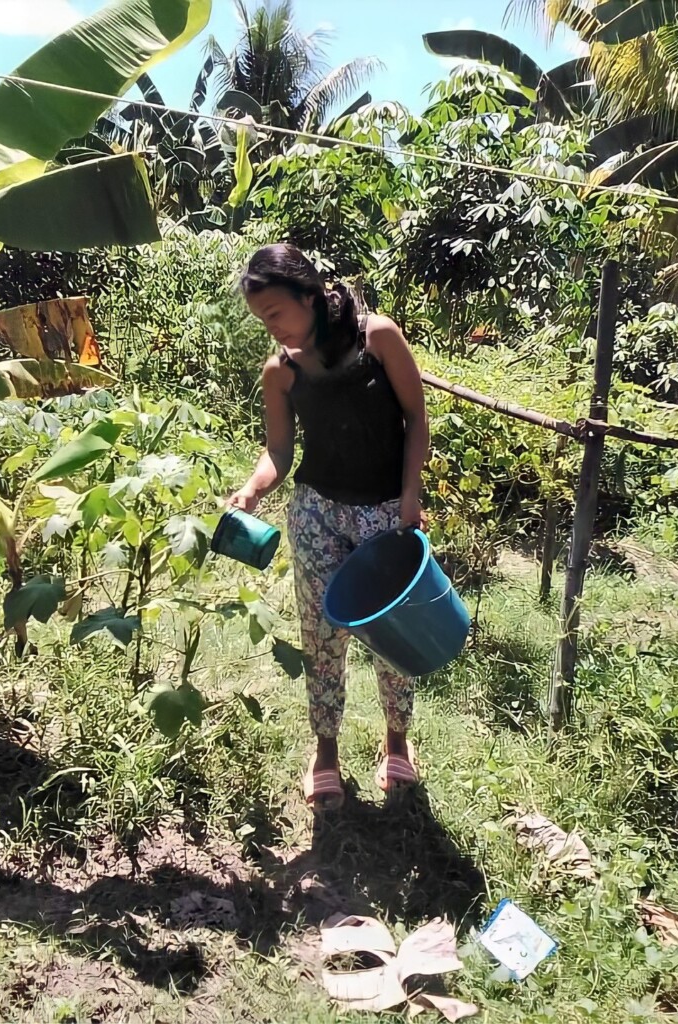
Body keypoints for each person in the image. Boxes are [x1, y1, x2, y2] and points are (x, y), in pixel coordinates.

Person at [229, 243, 430, 813]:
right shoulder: (282, 372)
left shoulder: (378, 338)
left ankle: (397, 740)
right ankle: (326, 752)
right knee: (322, 637)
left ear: (309, 295)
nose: (271, 331)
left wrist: (410, 496)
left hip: (385, 510)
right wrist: (252, 488)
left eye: (274, 314)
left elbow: (416, 417)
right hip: (316, 513)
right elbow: (278, 453)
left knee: (394, 635)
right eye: (260, 321)